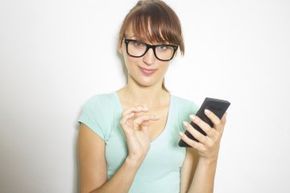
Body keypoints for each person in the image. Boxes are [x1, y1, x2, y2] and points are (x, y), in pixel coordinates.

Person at [77, 0, 227, 193]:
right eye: (139, 43)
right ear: (121, 44)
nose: (149, 59)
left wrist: (210, 158)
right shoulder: (97, 110)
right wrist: (133, 160)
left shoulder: (188, 113)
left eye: (163, 46)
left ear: (174, 51)